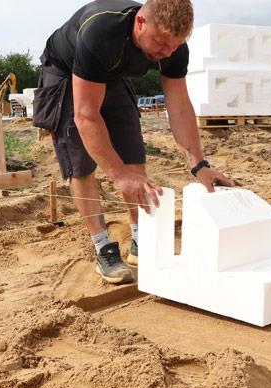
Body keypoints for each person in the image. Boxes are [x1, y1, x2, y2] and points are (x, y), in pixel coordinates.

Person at [34, 0, 232, 284]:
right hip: (66, 73)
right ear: (140, 23)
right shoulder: (101, 32)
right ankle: (103, 247)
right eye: (161, 43)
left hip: (114, 74)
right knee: (81, 164)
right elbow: (86, 116)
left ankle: (141, 239)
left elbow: (180, 108)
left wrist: (199, 165)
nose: (167, 52)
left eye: (174, 46)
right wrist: (118, 175)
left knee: (133, 155)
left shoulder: (172, 46)